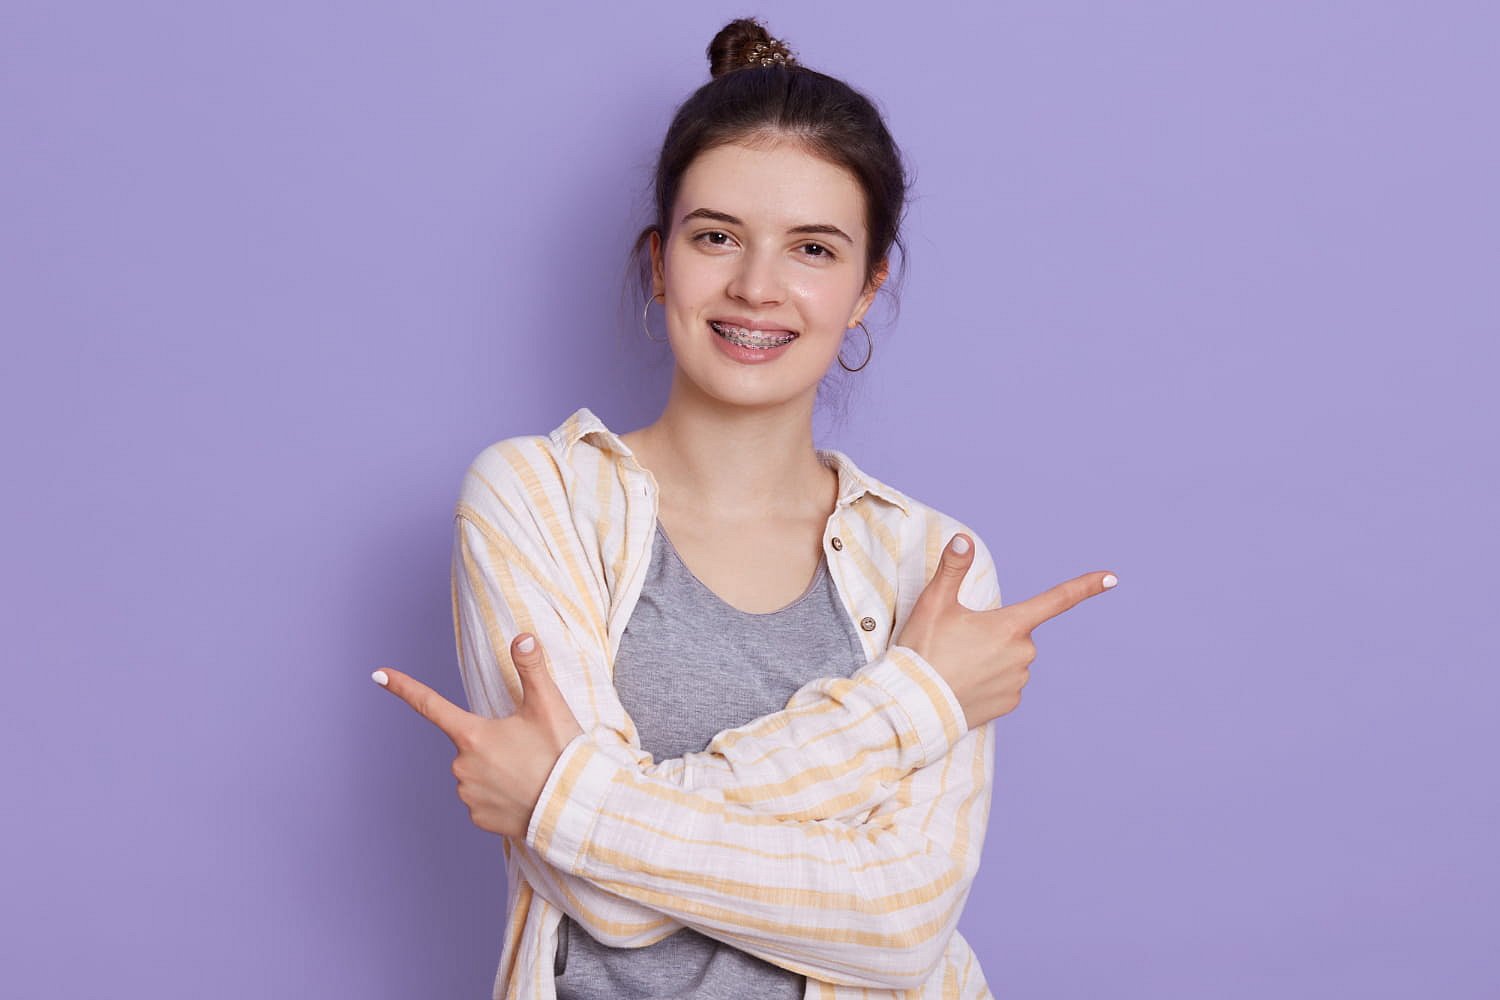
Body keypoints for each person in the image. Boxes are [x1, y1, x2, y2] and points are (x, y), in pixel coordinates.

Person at [374, 17, 1117, 1000]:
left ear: (867, 286)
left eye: (813, 248)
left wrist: (565, 802)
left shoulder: (934, 566)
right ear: (658, 260)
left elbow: (899, 927)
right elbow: (604, 904)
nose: (757, 287)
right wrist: (915, 702)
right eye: (716, 236)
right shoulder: (533, 495)